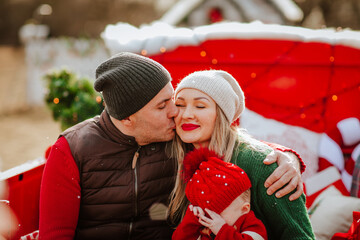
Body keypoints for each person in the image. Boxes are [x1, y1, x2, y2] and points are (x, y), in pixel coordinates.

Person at [39, 52, 306, 240]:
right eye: (165, 105)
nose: (177, 113)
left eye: (173, 100)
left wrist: (287, 157)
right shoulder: (75, 149)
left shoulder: (179, 141)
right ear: (129, 118)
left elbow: (233, 145)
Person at [168, 70, 315, 239]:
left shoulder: (264, 166)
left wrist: (288, 156)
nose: (186, 115)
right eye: (179, 105)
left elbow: (299, 236)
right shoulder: (176, 156)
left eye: (200, 106)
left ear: (222, 115)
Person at [172, 148, 267, 240]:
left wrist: (222, 230)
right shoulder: (205, 227)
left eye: (217, 214)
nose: (211, 218)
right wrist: (192, 221)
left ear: (244, 209)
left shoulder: (251, 225)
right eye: (206, 213)